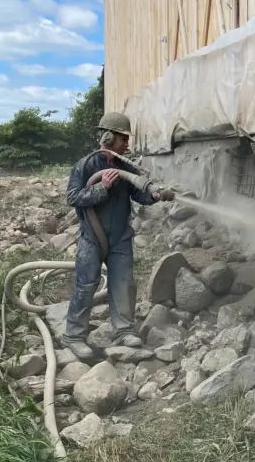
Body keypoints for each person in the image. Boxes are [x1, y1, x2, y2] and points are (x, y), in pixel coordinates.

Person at [62, 112, 173, 361]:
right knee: (86, 284)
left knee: (123, 283)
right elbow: (73, 198)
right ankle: (73, 336)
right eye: (123, 138)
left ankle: (123, 331)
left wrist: (153, 196)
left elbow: (137, 193)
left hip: (120, 237)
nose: (127, 144)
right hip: (92, 236)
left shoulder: (124, 166)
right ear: (108, 136)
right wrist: (102, 188)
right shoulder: (86, 166)